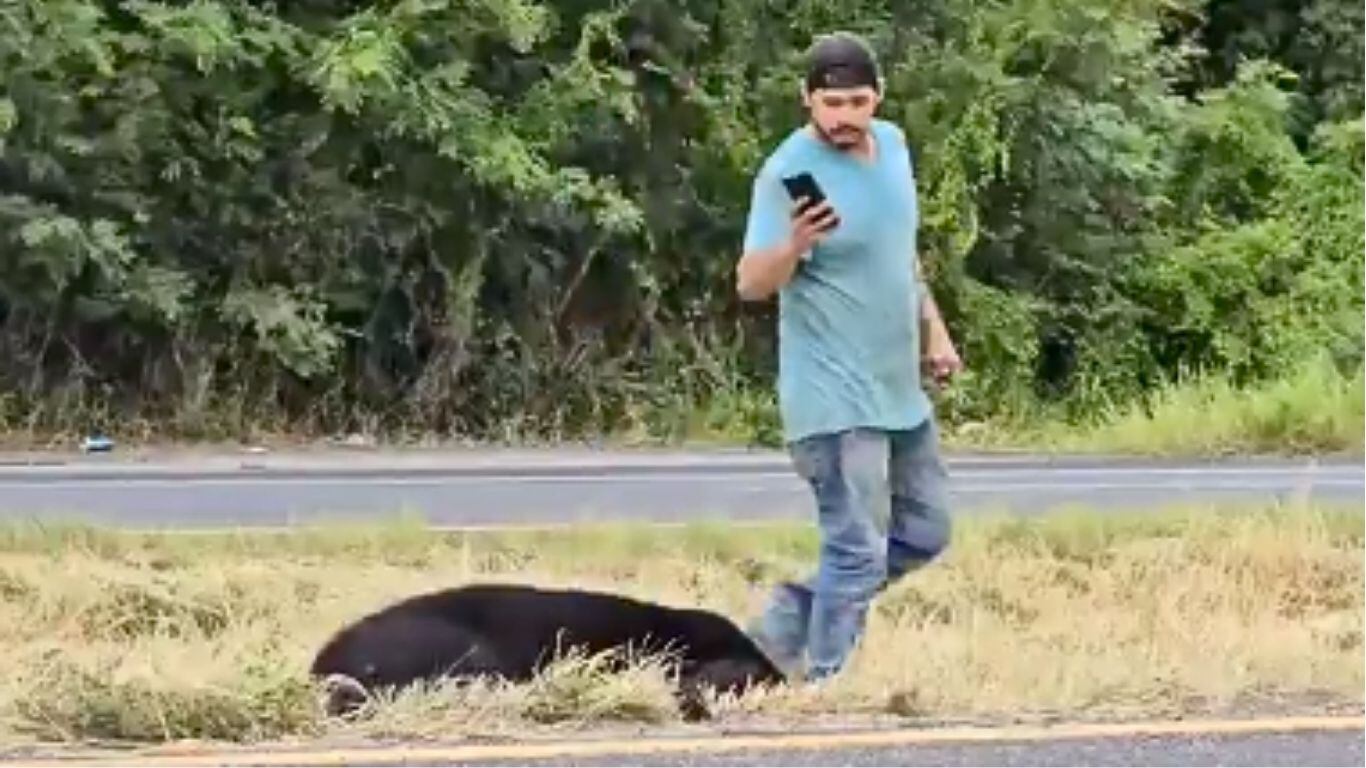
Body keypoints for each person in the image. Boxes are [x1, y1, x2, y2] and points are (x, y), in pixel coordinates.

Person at [735, 31, 962, 683]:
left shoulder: (893, 146)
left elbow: (899, 254)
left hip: (897, 390)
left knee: (926, 531)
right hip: (832, 400)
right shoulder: (785, 174)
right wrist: (794, 245)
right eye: (830, 103)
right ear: (806, 99)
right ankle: (825, 684)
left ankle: (782, 628)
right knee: (856, 550)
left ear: (878, 97)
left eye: (857, 102)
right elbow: (750, 284)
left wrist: (935, 332)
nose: (843, 117)